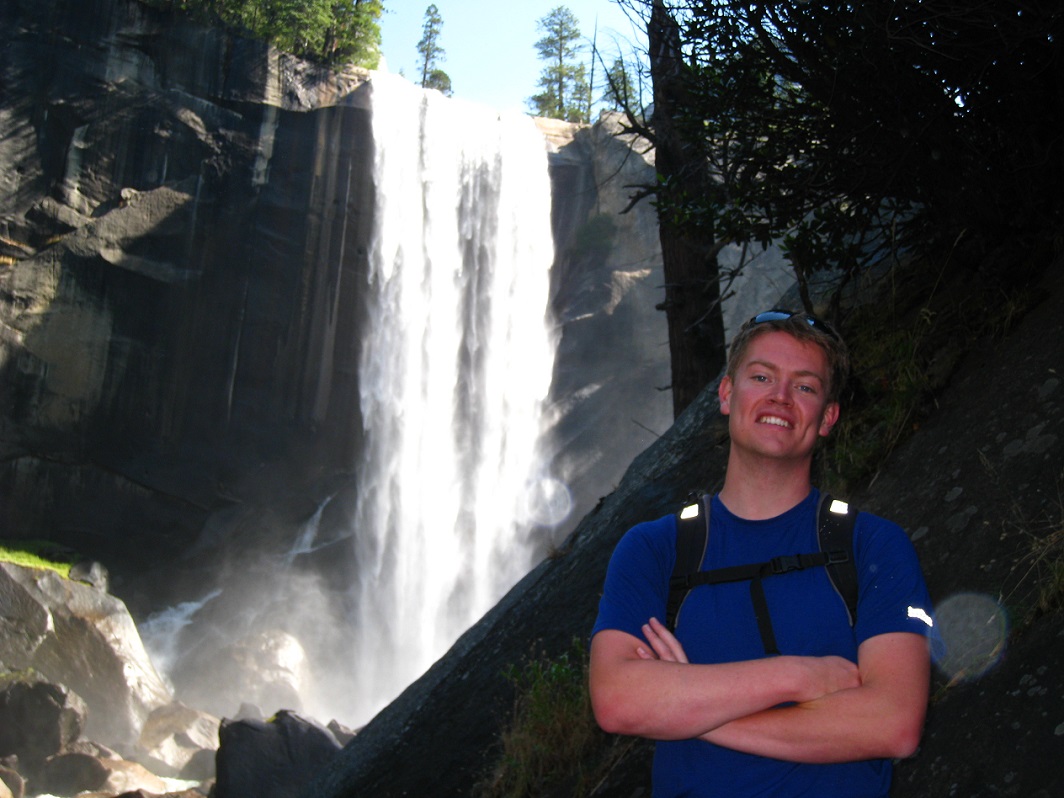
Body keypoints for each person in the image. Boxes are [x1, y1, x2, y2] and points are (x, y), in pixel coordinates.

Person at [589, 309, 936, 797]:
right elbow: (618, 702)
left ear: (828, 418)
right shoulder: (655, 549)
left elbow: (893, 724)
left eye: (806, 386)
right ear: (727, 394)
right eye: (761, 377)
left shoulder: (871, 545)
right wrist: (802, 676)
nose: (780, 397)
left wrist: (691, 712)